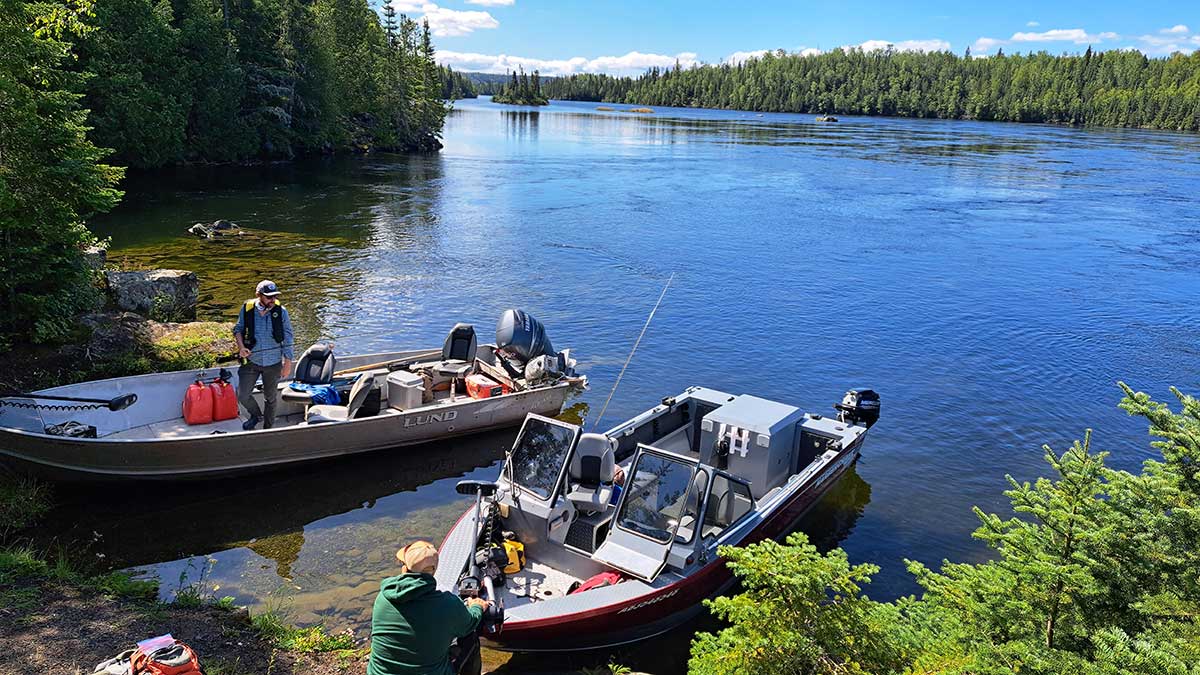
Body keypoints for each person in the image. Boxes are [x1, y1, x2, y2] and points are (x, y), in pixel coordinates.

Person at [368, 541, 491, 675]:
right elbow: (470, 622)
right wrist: (477, 606)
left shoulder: (383, 597)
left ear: (405, 569)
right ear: (433, 570)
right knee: (469, 636)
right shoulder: (447, 604)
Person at [232, 280, 294, 430]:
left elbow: (288, 337)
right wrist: (241, 348)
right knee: (242, 395)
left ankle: (268, 428)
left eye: (274, 296)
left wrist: (287, 363)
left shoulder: (281, 312)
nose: (272, 300)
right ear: (258, 295)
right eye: (268, 297)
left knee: (271, 398)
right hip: (251, 361)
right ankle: (255, 415)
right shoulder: (247, 309)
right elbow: (238, 329)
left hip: (273, 363)